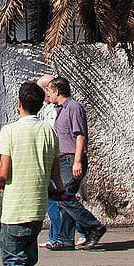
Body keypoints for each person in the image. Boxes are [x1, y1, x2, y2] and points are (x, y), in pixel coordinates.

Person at [0, 80, 59, 266]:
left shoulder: (9, 131)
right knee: (26, 262)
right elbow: (55, 171)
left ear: (19, 103)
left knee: (12, 262)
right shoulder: (49, 131)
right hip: (38, 205)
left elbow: (4, 173)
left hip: (16, 206)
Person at [40, 76, 105, 251]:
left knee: (65, 198)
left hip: (71, 159)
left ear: (57, 91)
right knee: (64, 199)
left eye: (49, 91)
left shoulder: (73, 107)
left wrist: (77, 161)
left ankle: (94, 226)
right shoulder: (59, 109)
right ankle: (65, 240)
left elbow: (80, 135)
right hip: (62, 160)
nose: (47, 94)